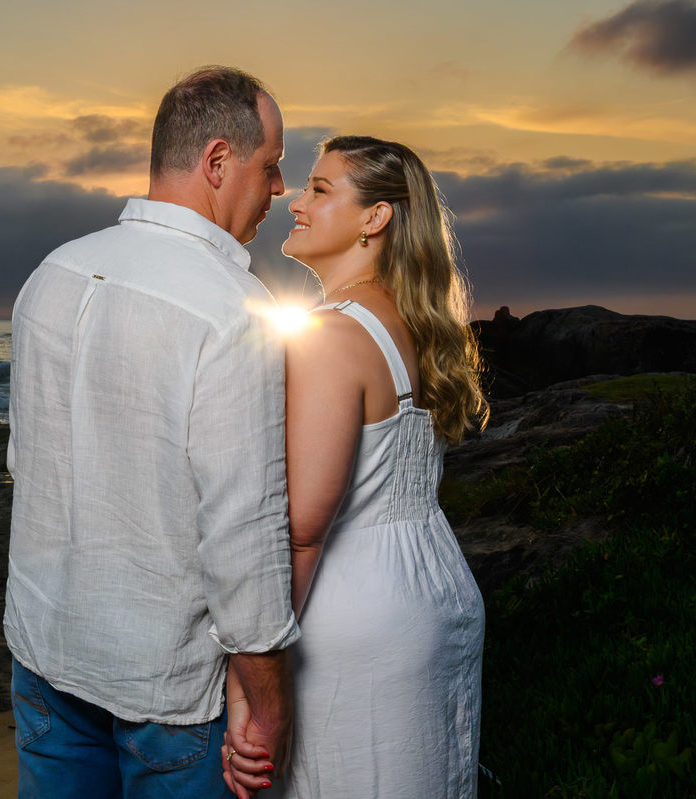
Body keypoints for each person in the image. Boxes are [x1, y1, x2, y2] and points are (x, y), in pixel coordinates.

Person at [4, 66, 300, 799]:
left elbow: (25, 461)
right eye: (270, 168)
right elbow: (243, 538)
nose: (279, 189)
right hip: (164, 691)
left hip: (43, 652)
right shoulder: (234, 311)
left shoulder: (51, 272)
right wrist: (268, 705)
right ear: (219, 162)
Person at [223, 136, 489, 798]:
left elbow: (303, 529)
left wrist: (250, 680)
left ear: (376, 218)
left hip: (356, 617)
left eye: (320, 189)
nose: (296, 201)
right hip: (437, 589)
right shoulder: (414, 324)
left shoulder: (334, 335)